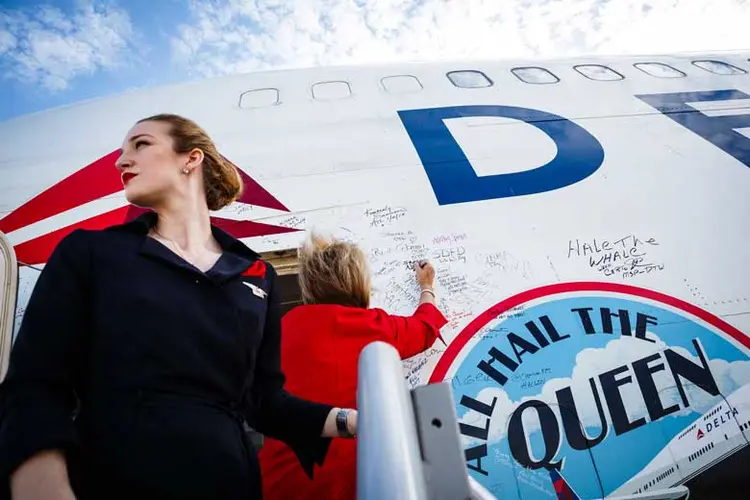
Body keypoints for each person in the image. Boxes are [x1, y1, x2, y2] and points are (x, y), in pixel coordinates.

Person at [0, 114, 357, 500]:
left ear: (191, 158)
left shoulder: (257, 274)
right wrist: (41, 485)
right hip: (113, 475)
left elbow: (264, 402)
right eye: (122, 151)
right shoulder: (90, 252)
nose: (121, 161)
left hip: (229, 479)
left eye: (141, 144)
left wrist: (352, 421)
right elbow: (35, 382)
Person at [258, 233, 447, 500]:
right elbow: (426, 328)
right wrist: (426, 286)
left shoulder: (280, 329)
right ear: (359, 282)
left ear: (310, 286)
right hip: (350, 483)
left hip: (278, 482)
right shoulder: (373, 326)